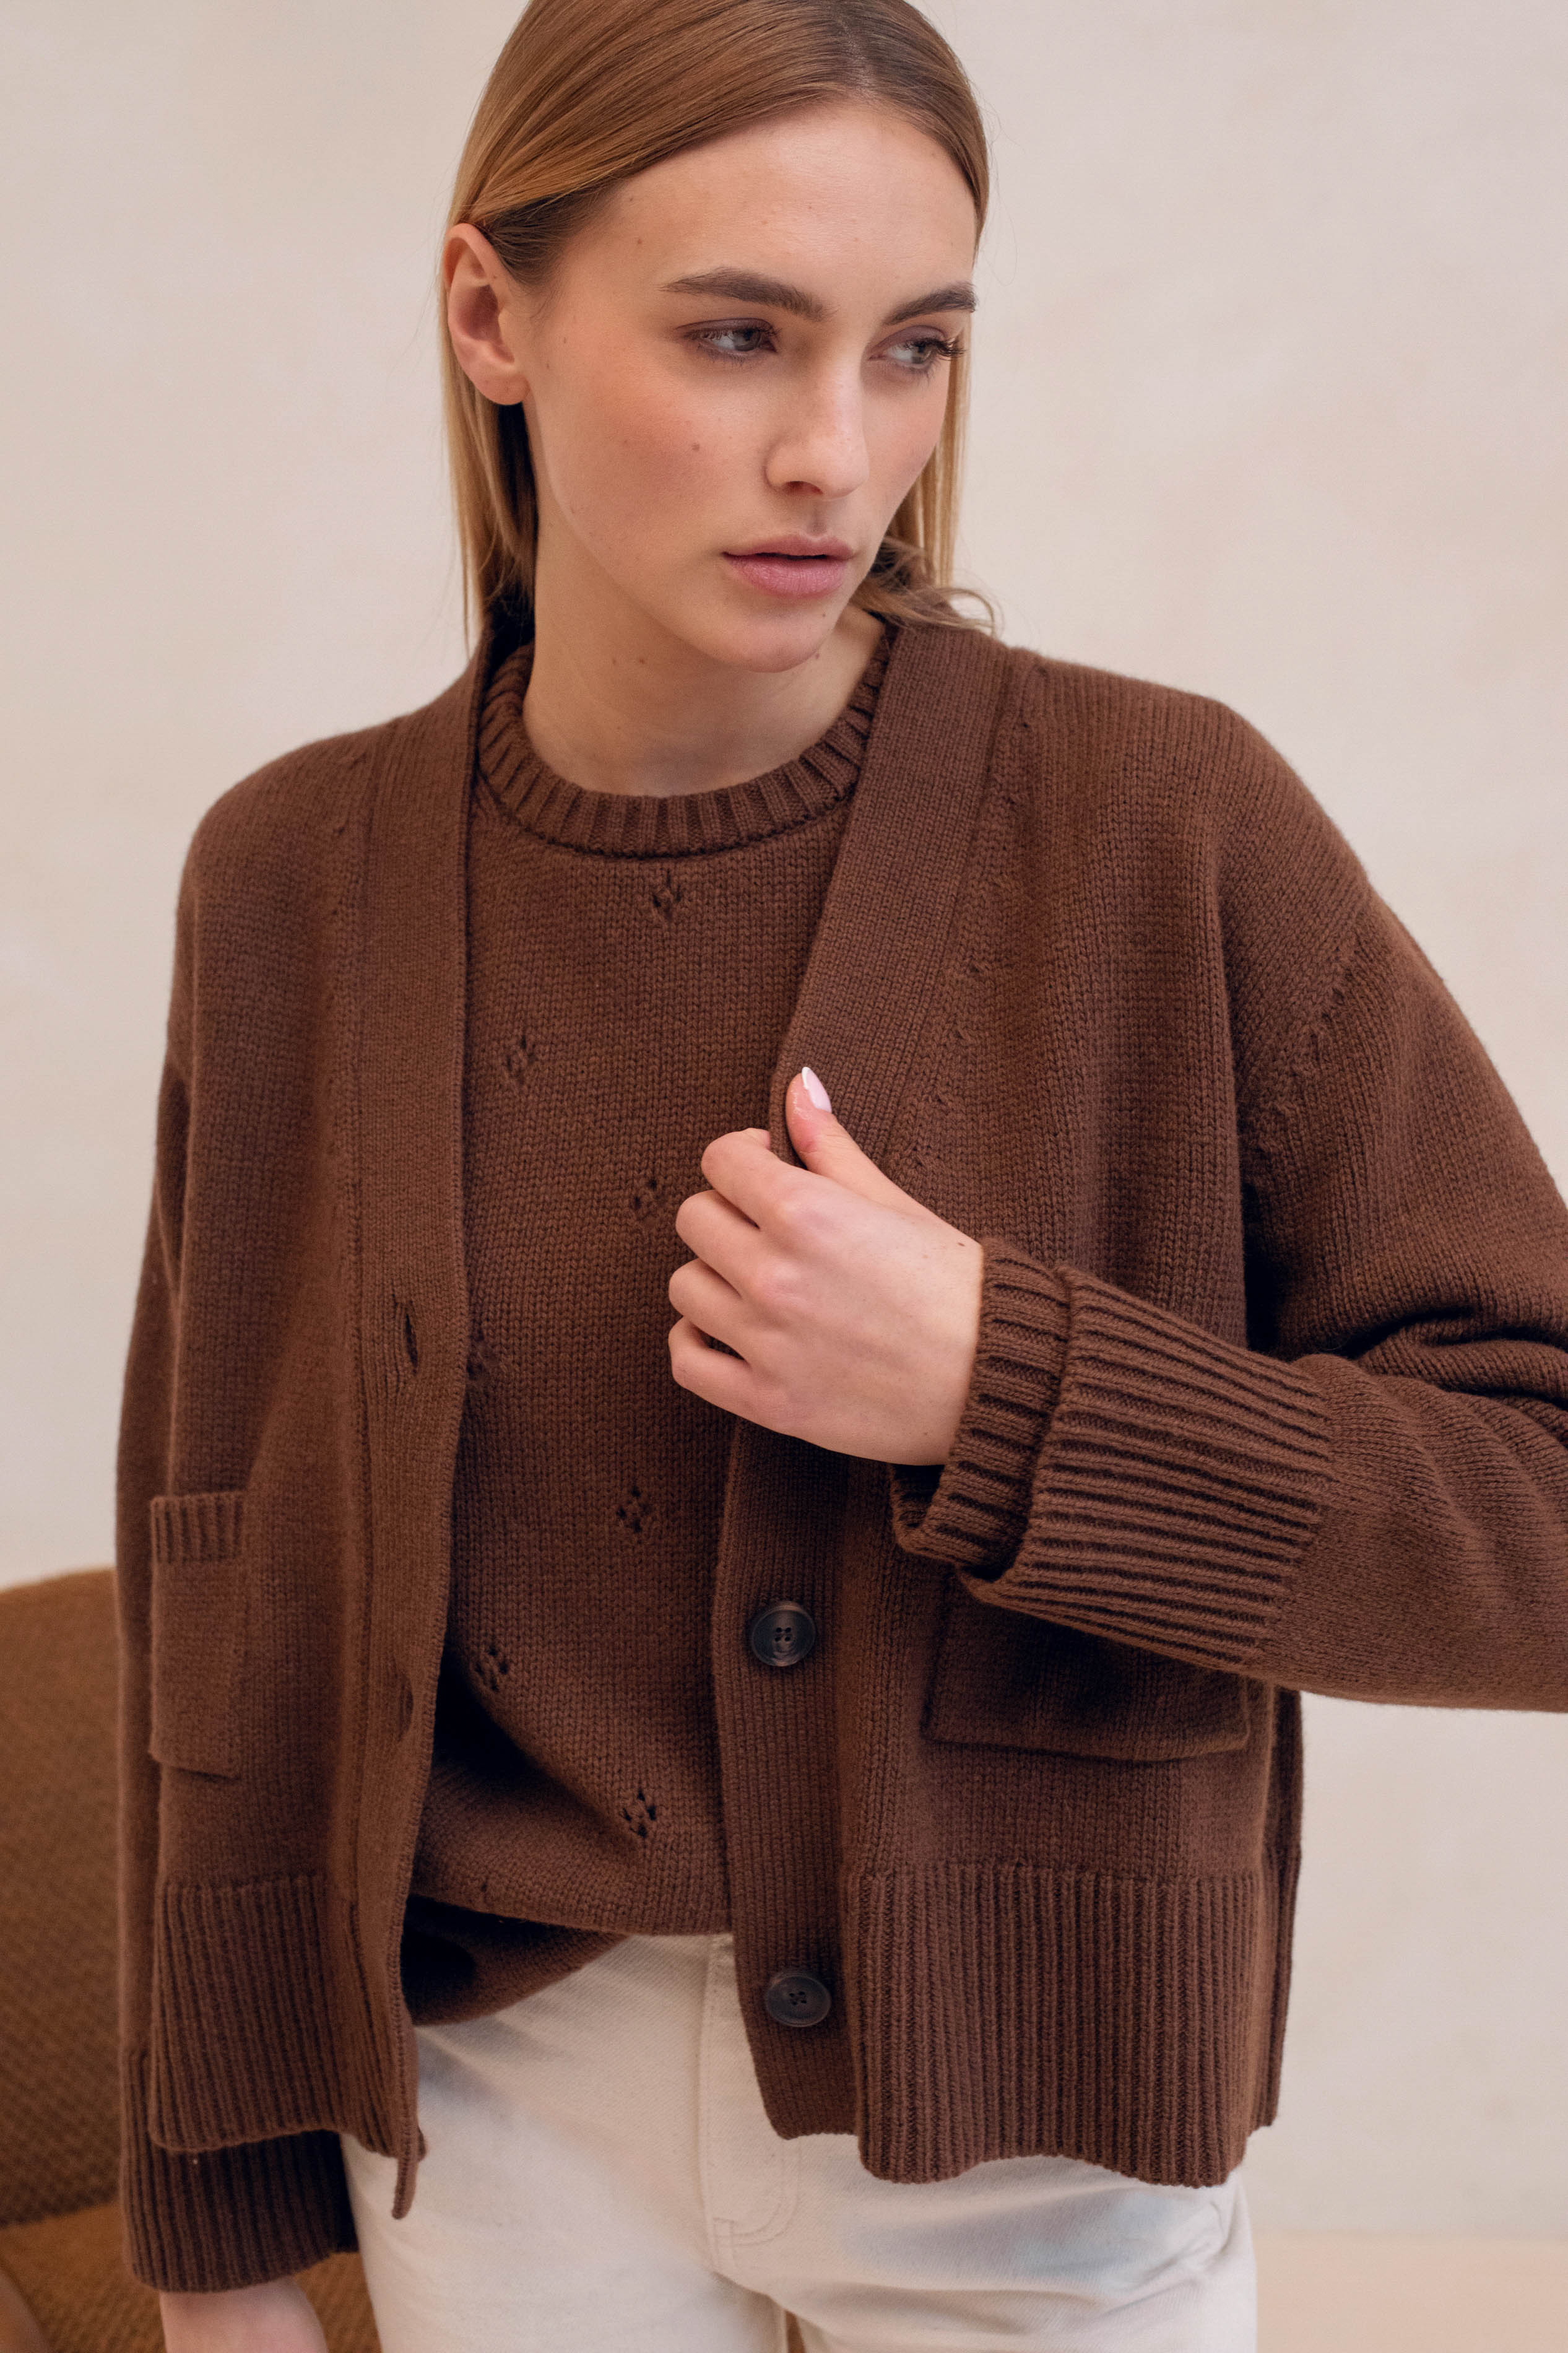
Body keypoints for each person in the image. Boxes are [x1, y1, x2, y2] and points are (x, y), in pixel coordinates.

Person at [119, 1, 1568, 2349]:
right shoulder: (294, 882)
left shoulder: (1163, 830)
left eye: (916, 350)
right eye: (738, 336)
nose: (838, 451)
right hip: (492, 2120)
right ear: (490, 313)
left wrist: (1010, 1386)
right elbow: (228, 1598)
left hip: (1038, 2120)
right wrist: (221, 2234)